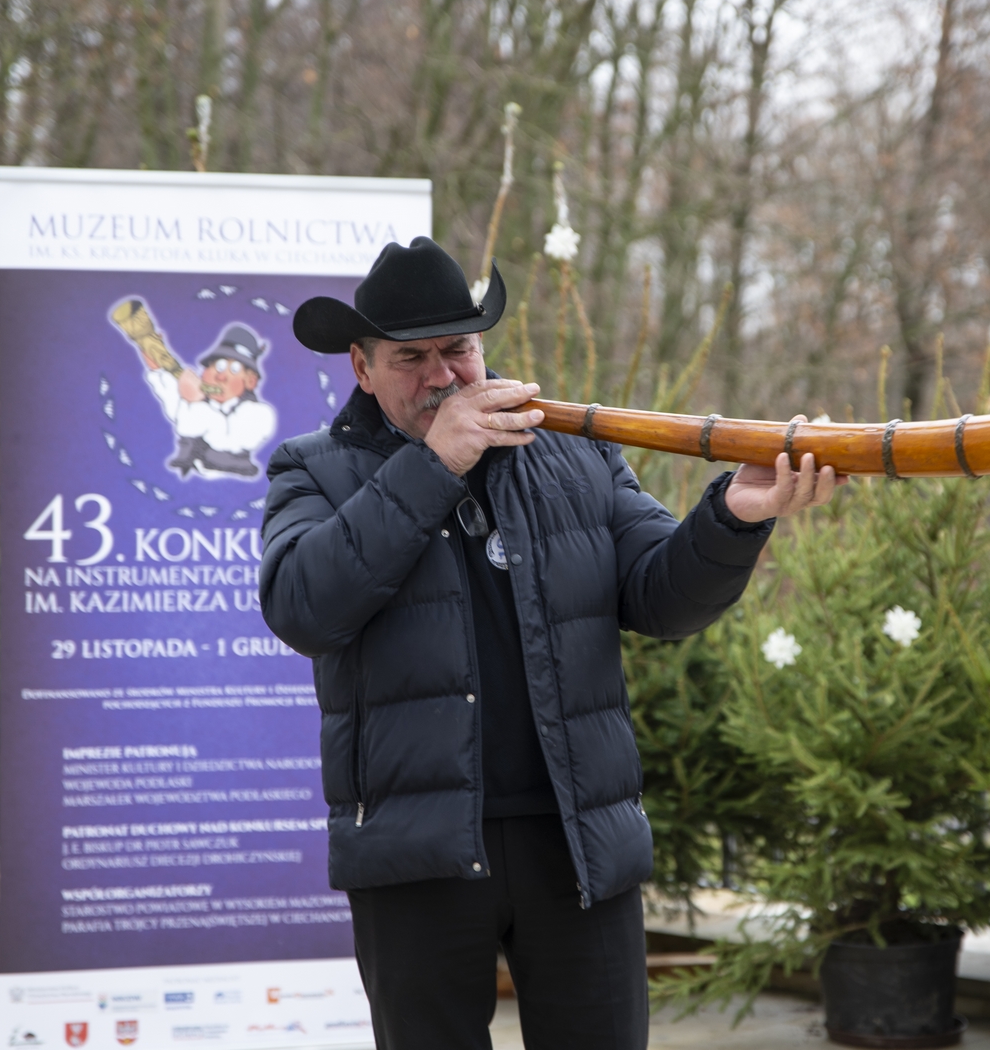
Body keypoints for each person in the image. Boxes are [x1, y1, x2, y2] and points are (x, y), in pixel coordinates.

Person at [259, 237, 841, 1050]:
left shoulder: (573, 450)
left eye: (458, 350)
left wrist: (733, 516)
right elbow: (302, 607)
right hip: (416, 854)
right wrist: (433, 463)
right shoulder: (313, 468)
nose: (441, 376)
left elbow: (660, 598)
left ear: (482, 347)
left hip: (579, 840)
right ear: (362, 367)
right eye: (410, 358)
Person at [139, 322, 277, 478]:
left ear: (250, 381)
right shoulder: (203, 402)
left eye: (234, 370)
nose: (221, 376)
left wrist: (195, 401)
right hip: (189, 479)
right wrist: (158, 368)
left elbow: (225, 438)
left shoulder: (259, 414)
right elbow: (173, 400)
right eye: (218, 366)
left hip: (232, 482)